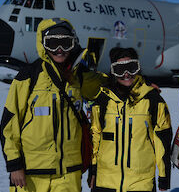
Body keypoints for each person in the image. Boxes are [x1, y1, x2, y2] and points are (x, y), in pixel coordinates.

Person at [0, 18, 107, 192]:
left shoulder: (79, 76)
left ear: (73, 44)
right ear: (43, 44)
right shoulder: (29, 76)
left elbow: (111, 85)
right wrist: (14, 165)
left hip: (69, 172)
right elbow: (9, 124)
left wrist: (141, 86)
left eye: (65, 43)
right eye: (52, 43)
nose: (59, 49)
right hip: (31, 173)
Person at [89, 47, 172, 192]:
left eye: (131, 68)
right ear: (113, 71)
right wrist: (93, 169)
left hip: (141, 183)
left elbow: (162, 139)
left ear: (138, 68)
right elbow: (95, 136)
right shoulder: (103, 99)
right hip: (106, 182)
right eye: (120, 69)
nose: (126, 74)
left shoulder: (152, 99)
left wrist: (164, 175)